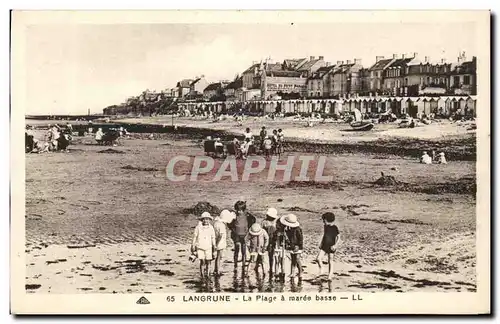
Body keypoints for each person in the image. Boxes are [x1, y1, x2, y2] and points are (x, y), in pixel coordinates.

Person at [227, 201, 256, 271]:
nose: (239, 211)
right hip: (236, 235)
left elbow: (253, 220)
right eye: (237, 210)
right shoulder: (234, 215)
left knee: (244, 250)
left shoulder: (247, 215)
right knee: (236, 249)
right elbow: (229, 223)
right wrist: (232, 229)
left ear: (244, 209)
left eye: (240, 210)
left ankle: (243, 264)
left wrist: (249, 228)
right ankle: (235, 264)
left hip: (244, 235)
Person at [191, 212, 216, 279]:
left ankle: (208, 275)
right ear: (202, 220)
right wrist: (193, 245)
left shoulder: (211, 228)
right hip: (200, 247)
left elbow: (213, 237)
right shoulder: (198, 227)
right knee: (202, 261)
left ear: (209, 220)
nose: (205, 221)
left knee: (208, 261)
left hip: (209, 247)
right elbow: (195, 237)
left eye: (207, 219)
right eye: (204, 219)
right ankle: (202, 274)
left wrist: (214, 246)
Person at [316, 212, 341, 280]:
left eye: (324, 220)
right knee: (318, 258)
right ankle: (322, 269)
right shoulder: (325, 226)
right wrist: (321, 243)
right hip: (324, 245)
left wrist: (335, 245)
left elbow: (338, 237)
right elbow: (324, 235)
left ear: (327, 220)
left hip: (331, 246)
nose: (323, 221)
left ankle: (330, 274)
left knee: (330, 260)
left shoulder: (334, 227)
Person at [280, 214, 303, 279]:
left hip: (297, 246)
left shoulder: (298, 229)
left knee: (297, 259)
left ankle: (300, 272)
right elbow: (287, 238)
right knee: (293, 259)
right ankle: (292, 272)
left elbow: (300, 239)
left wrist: (298, 246)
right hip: (292, 246)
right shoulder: (287, 229)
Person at [213, 209, 235, 276]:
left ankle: (216, 269)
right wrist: (217, 244)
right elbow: (220, 236)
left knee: (217, 257)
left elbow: (216, 235)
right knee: (219, 257)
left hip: (216, 242)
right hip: (220, 243)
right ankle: (217, 270)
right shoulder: (222, 226)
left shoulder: (216, 223)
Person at [262, 208, 279, 276]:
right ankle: (271, 268)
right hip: (267, 239)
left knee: (275, 255)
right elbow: (262, 231)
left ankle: (274, 268)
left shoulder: (277, 221)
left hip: (275, 239)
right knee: (269, 254)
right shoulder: (264, 222)